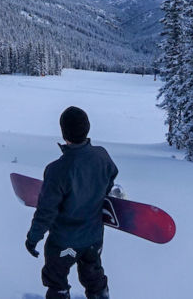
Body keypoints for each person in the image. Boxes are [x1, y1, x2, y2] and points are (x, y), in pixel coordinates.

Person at [25, 106, 119, 299]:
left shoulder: (57, 170)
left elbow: (46, 211)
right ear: (87, 128)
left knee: (56, 280)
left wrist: (33, 237)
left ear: (63, 132)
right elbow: (111, 178)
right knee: (94, 278)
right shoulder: (102, 156)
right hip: (93, 239)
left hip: (63, 242)